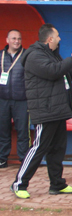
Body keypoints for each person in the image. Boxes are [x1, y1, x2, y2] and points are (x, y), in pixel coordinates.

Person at [11, 24, 72, 199]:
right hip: (45, 110)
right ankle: (19, 183)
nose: (59, 38)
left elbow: (67, 75)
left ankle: (57, 184)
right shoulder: (35, 55)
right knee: (39, 147)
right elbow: (53, 71)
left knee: (57, 149)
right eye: (57, 36)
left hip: (58, 108)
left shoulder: (51, 54)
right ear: (49, 39)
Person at [0, 30, 28, 168]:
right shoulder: (0, 55)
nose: (16, 41)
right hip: (2, 99)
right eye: (13, 38)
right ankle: (2, 159)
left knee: (22, 131)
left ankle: (24, 160)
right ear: (7, 40)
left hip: (21, 100)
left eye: (19, 38)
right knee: (2, 130)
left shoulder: (26, 55)